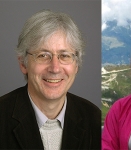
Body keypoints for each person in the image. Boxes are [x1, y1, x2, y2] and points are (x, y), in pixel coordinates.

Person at [0, 10, 101, 149]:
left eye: (64, 55)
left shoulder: (94, 119)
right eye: (43, 55)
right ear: (23, 64)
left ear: (76, 65)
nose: (55, 68)